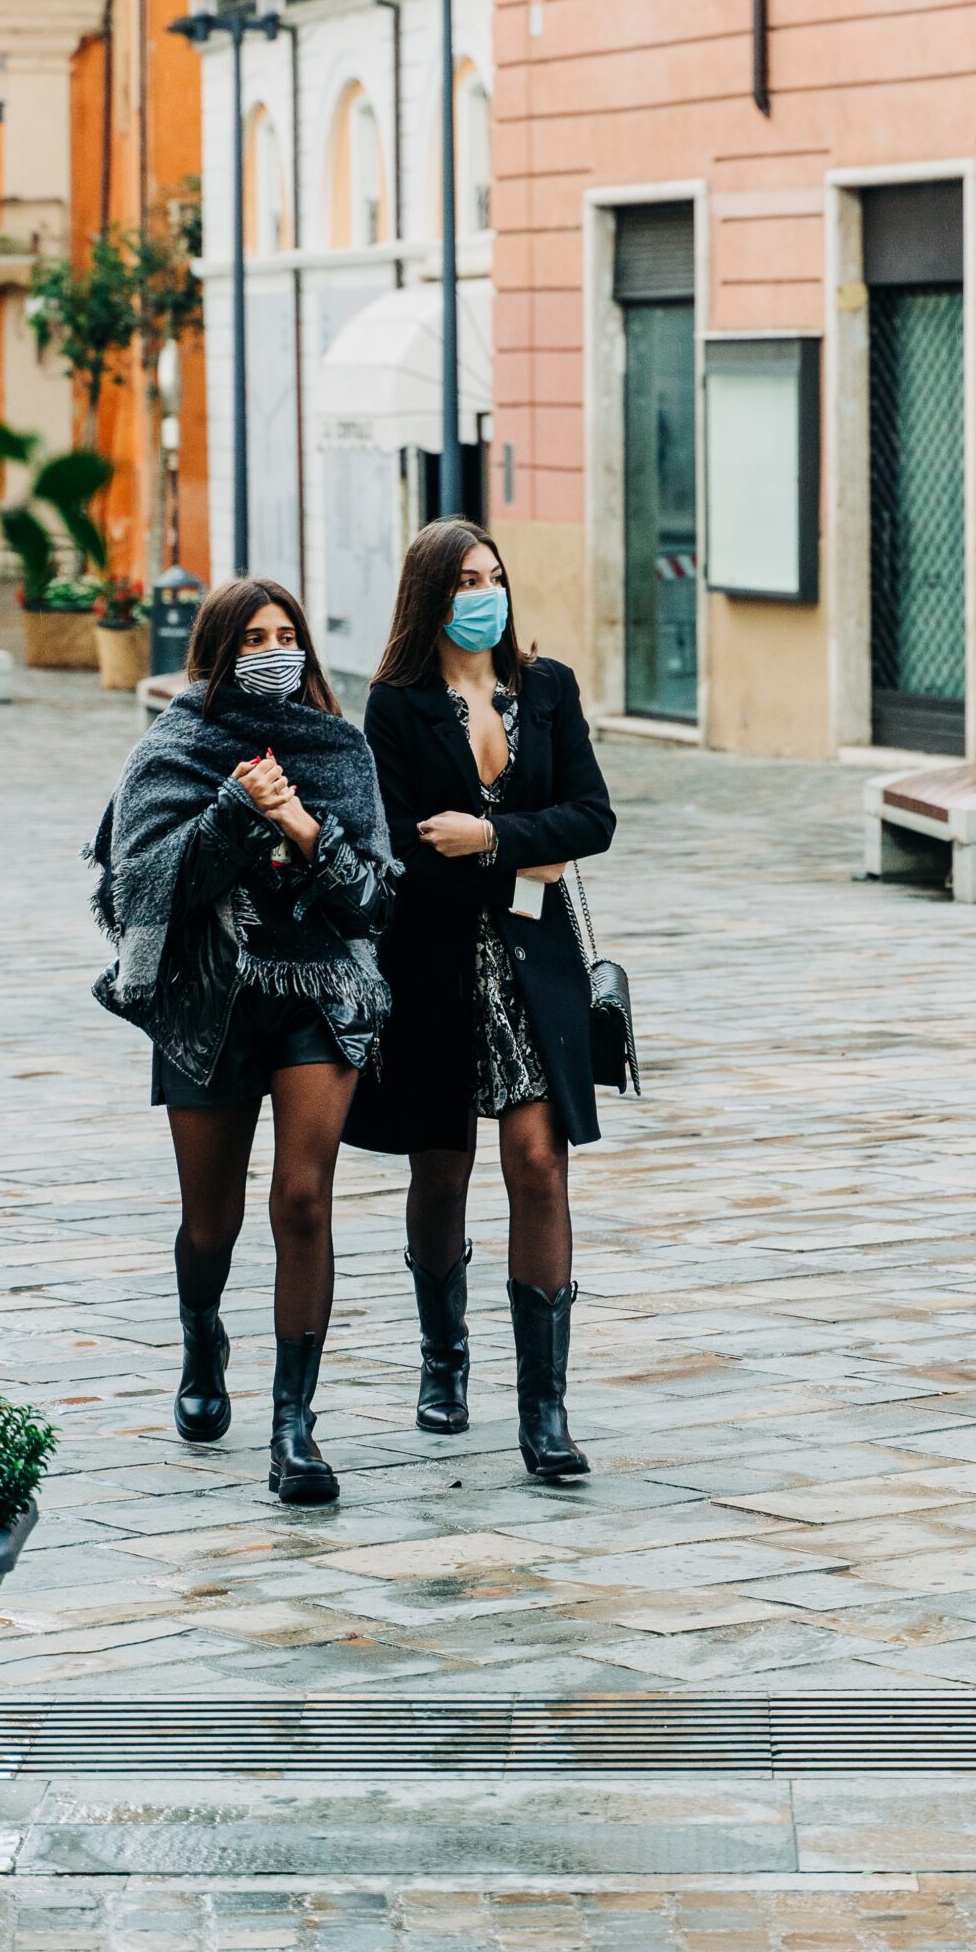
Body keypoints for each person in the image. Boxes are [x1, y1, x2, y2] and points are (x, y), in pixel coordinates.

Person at [89, 577, 396, 1507]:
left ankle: (294, 1429)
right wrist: (232, 810)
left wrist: (302, 824)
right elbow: (145, 890)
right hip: (205, 1005)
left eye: (286, 633)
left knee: (303, 1202)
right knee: (209, 1225)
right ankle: (201, 1333)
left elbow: (374, 898)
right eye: (254, 637)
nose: (275, 649)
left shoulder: (342, 750)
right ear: (218, 654)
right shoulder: (172, 750)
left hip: (319, 994)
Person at [345, 518, 616, 1479]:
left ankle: (545, 1410)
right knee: (442, 1167)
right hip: (432, 966)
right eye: (464, 579)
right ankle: (443, 1357)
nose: (483, 592)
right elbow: (408, 854)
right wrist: (520, 856)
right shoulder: (395, 706)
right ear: (430, 595)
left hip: (536, 968)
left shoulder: (546, 690)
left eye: (493, 575)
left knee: (539, 1163)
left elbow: (595, 817)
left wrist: (492, 840)